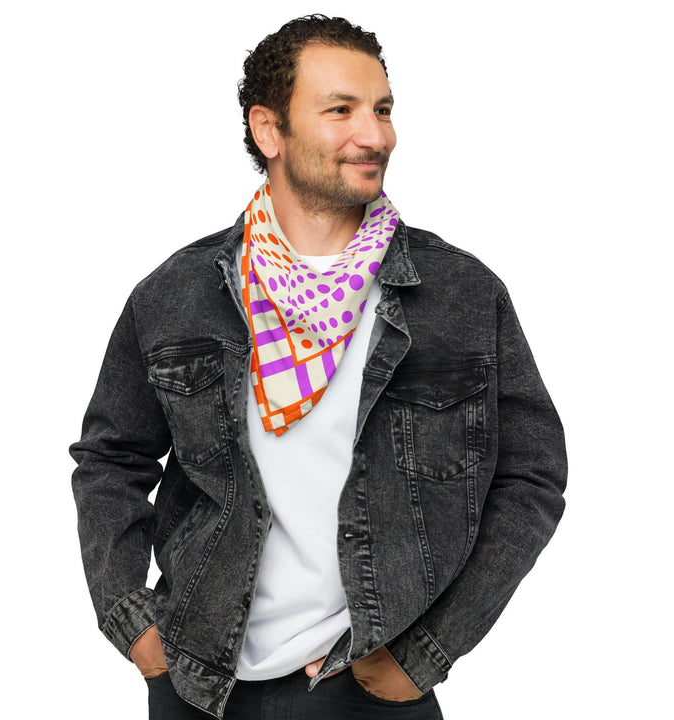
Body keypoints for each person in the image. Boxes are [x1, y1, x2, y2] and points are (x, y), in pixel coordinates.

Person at [71, 14, 567, 720]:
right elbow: (110, 459)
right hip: (198, 684)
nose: (376, 135)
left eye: (383, 110)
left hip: (369, 685)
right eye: (341, 110)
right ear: (269, 130)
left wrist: (426, 653)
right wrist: (133, 623)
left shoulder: (460, 294)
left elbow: (531, 475)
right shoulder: (177, 296)